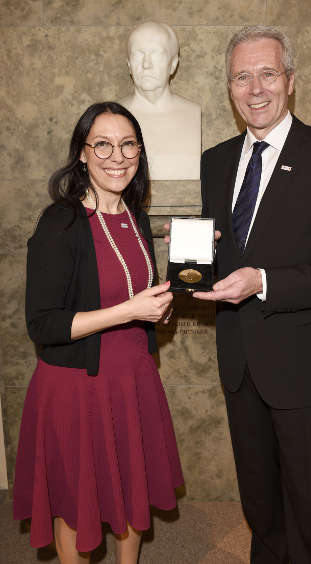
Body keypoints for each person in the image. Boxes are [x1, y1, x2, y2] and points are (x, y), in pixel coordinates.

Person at [193, 25, 311, 564]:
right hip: (240, 364)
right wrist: (194, 267)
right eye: (242, 77)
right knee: (262, 506)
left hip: (304, 368)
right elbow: (220, 250)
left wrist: (263, 280)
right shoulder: (216, 160)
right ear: (229, 87)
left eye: (267, 73)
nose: (255, 89)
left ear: (290, 81)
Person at [13, 101, 183, 564]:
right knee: (76, 501)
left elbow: (134, 292)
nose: (117, 155)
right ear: (82, 153)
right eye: (103, 144)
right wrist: (128, 309)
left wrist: (155, 310)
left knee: (132, 489)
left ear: (140, 153)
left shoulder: (136, 216)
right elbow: (42, 323)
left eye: (128, 144)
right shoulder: (60, 222)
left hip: (133, 379)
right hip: (76, 387)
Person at [122, 21, 201, 180]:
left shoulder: (192, 112)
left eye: (156, 54)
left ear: (173, 64)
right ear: (129, 64)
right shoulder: (111, 116)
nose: (146, 64)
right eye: (138, 54)